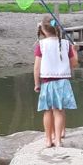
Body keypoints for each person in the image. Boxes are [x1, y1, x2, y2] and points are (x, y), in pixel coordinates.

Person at [34, 18, 78, 147]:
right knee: (59, 111)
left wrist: (37, 83)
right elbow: (74, 64)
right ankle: (58, 140)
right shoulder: (66, 44)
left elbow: (37, 68)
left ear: (43, 30)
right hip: (63, 82)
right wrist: (75, 51)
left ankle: (48, 140)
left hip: (47, 82)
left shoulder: (41, 45)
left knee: (47, 111)